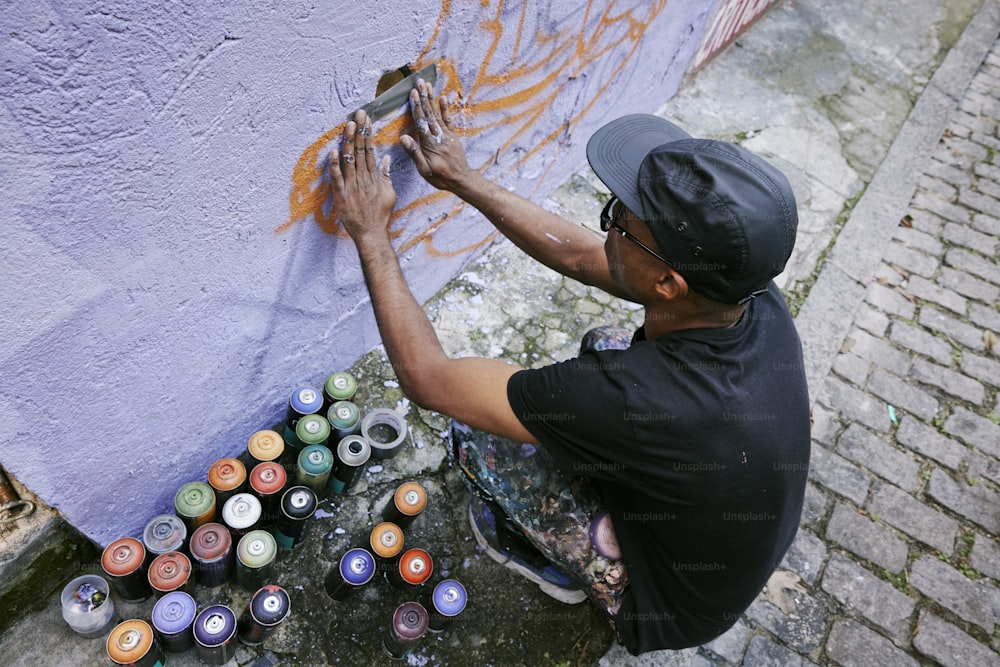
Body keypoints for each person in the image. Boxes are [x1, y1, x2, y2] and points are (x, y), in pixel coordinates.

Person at [328, 78, 810, 654]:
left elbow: (430, 381)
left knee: (477, 430)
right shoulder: (745, 293)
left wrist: (370, 232)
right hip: (723, 522)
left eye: (619, 218)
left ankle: (554, 562)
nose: (607, 226)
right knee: (607, 341)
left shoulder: (639, 397)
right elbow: (584, 256)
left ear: (668, 283)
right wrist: (461, 178)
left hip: (666, 603)